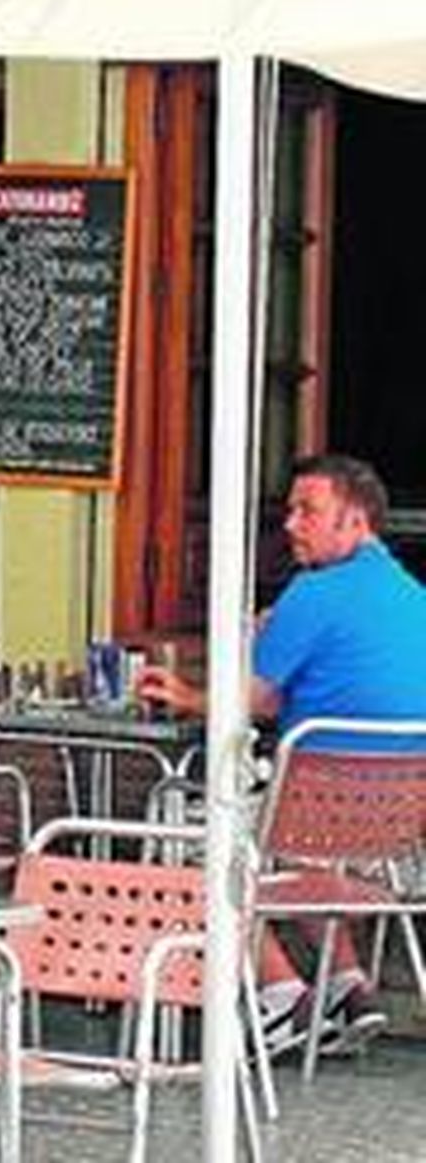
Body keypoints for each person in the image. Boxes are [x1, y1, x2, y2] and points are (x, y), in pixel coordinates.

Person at [139, 453, 426, 1057]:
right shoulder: (414, 597)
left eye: (307, 511)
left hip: (311, 821)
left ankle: (280, 996)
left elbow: (253, 703)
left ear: (355, 520)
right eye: (291, 511)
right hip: (393, 842)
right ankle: (348, 988)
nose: (291, 524)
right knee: (294, 847)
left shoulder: (313, 593)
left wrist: (184, 694)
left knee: (186, 840)